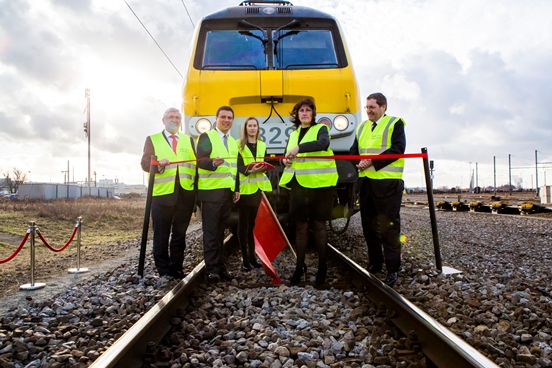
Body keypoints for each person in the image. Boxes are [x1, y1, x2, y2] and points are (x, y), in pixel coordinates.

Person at [349, 92, 406, 287]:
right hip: (366, 185)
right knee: (369, 228)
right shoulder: (362, 127)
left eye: (372, 107)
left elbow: (398, 149)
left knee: (389, 229)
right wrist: (356, 162)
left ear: (383, 107)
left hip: (387, 184)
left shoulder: (395, 123)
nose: (368, 111)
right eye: (367, 107)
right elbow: (354, 152)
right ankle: (375, 263)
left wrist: (372, 161)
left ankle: (392, 269)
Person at [279, 98, 338, 285]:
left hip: (319, 186)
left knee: (319, 226)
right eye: (301, 110)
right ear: (297, 115)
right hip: (299, 185)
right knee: (301, 227)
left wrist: (299, 148)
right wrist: (284, 161)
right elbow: (286, 155)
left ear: (313, 114)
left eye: (307, 110)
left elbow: (323, 144)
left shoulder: (321, 129)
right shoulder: (294, 134)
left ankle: (322, 270)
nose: (304, 113)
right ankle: (299, 267)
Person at [140, 107, 197, 279]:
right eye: (171, 117)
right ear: (163, 120)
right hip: (162, 195)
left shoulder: (189, 140)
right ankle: (164, 270)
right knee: (161, 236)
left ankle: (177, 268)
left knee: (179, 235)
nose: (175, 120)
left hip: (185, 195)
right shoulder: (153, 139)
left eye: (178, 117)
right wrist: (157, 165)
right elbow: (144, 164)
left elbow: (194, 167)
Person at [196, 106, 240, 283]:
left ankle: (220, 268)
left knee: (220, 232)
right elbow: (200, 160)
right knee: (211, 233)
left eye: (230, 118)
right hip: (211, 192)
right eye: (223, 117)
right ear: (216, 118)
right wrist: (212, 163)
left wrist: (236, 188)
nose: (227, 120)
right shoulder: (207, 137)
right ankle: (212, 269)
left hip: (227, 193)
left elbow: (234, 168)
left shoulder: (232, 142)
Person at [237, 117, 272, 271]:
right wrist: (248, 170)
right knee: (243, 226)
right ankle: (245, 259)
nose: (252, 128)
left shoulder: (263, 145)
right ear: (245, 128)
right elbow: (237, 165)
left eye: (254, 126)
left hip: (258, 189)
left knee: (253, 225)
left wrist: (264, 168)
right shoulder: (239, 145)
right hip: (245, 190)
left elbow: (265, 161)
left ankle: (252, 257)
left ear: (258, 128)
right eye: (249, 126)